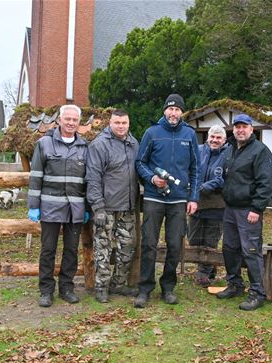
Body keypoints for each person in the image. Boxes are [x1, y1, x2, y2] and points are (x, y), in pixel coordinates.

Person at [134, 93, 201, 308]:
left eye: (177, 110)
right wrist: (152, 179)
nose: (173, 113)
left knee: (174, 245)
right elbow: (140, 162)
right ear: (164, 110)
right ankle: (144, 288)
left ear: (182, 112)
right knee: (149, 243)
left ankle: (168, 287)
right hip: (154, 198)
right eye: (170, 109)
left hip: (179, 200)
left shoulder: (189, 135)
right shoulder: (152, 133)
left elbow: (196, 169)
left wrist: (193, 197)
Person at [27, 104, 89, 307]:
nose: (71, 123)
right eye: (67, 119)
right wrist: (33, 205)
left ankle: (67, 288)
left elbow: (89, 180)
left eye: (75, 120)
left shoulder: (85, 147)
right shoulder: (44, 144)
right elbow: (36, 176)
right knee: (48, 250)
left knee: (71, 250)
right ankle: (46, 290)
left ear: (79, 123)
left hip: (75, 208)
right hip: (50, 207)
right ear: (60, 120)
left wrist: (87, 207)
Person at [216, 114, 272, 311]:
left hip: (248, 210)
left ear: (251, 129)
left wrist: (257, 208)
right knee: (229, 248)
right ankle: (235, 284)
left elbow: (266, 183)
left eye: (244, 127)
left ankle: (257, 292)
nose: (240, 130)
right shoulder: (230, 149)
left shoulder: (260, 151)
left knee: (251, 251)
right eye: (237, 127)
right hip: (231, 209)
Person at [86, 109, 140, 303]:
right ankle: (101, 286)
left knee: (127, 246)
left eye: (124, 123)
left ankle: (119, 284)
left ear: (128, 123)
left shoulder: (134, 144)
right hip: (106, 208)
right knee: (103, 248)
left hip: (127, 207)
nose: (121, 126)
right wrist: (98, 207)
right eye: (117, 122)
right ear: (110, 123)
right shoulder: (99, 145)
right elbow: (93, 177)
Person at [189, 125, 228, 287]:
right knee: (193, 239)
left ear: (224, 140)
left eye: (218, 138)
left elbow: (227, 177)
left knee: (210, 241)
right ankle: (209, 268)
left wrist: (210, 185)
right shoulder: (198, 150)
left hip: (216, 204)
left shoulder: (229, 154)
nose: (215, 140)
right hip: (196, 202)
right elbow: (190, 170)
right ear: (208, 137)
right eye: (212, 137)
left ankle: (203, 273)